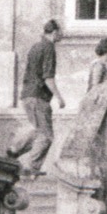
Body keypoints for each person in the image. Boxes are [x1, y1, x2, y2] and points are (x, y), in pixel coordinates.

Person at [11, 20, 65, 175]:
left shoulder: (36, 46)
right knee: (47, 136)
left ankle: (15, 149)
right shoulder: (48, 48)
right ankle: (31, 168)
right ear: (54, 32)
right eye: (61, 31)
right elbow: (48, 77)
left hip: (28, 96)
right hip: (38, 97)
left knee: (40, 130)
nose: (63, 35)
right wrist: (59, 98)